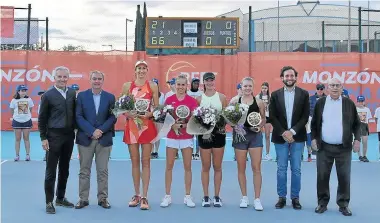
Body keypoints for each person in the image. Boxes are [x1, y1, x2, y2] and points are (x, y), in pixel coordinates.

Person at [311, 78, 361, 216]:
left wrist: (357, 140)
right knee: (322, 176)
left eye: (337, 85)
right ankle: (322, 203)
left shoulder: (348, 103)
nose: (334, 88)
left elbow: (357, 124)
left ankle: (343, 204)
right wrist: (314, 139)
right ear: (327, 88)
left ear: (342, 88)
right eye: (332, 85)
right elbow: (314, 124)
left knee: (344, 177)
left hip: (344, 148)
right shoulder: (320, 103)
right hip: (324, 147)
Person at [269, 66, 310, 210]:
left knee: (296, 169)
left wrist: (292, 131)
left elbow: (305, 116)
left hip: (298, 137)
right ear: (282, 78)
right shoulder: (274, 95)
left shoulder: (304, 94)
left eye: (292, 75)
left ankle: (295, 198)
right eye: (286, 76)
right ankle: (281, 197)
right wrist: (284, 133)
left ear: (296, 77)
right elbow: (272, 116)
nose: (289, 78)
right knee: (281, 168)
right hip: (280, 138)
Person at [74, 70, 116, 209]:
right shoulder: (81, 96)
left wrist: (101, 131)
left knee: (102, 171)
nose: (97, 81)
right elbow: (78, 116)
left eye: (99, 79)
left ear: (103, 81)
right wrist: (92, 131)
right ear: (90, 80)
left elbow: (113, 117)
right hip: (85, 138)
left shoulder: (110, 97)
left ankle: (103, 198)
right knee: (84, 170)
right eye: (94, 79)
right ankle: (83, 199)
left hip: (104, 139)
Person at [121, 60, 159, 210]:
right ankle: (136, 194)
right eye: (139, 68)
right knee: (135, 161)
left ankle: (145, 197)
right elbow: (121, 106)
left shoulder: (153, 86)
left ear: (147, 70)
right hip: (132, 127)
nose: (141, 71)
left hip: (147, 127)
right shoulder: (127, 86)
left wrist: (149, 114)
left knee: (146, 161)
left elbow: (156, 108)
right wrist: (128, 113)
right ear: (135, 70)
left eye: (144, 68)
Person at [38, 66, 76, 214]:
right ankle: (49, 202)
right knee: (50, 171)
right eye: (59, 76)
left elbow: (75, 114)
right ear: (54, 78)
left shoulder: (72, 93)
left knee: (65, 169)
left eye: (64, 77)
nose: (62, 79)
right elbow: (42, 119)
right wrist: (43, 137)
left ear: (68, 77)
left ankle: (60, 198)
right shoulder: (47, 95)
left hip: (69, 137)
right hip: (53, 137)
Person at [160, 74, 198, 208]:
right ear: (174, 85)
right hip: (172, 137)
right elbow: (163, 119)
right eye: (178, 84)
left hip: (187, 137)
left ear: (186, 86)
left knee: (188, 167)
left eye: (183, 84)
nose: (181, 87)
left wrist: (183, 126)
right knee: (169, 167)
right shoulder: (169, 100)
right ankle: (167, 196)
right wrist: (172, 126)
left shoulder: (192, 101)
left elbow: (195, 120)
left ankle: (188, 196)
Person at [231, 77, 266, 210]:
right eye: (245, 86)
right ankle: (244, 197)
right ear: (241, 87)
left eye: (250, 86)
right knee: (241, 168)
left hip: (255, 136)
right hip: (240, 135)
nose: (247, 88)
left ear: (253, 87)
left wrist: (259, 127)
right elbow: (229, 118)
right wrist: (235, 126)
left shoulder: (259, 102)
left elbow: (263, 119)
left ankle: (257, 199)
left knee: (256, 167)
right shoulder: (235, 101)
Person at [196, 72, 227, 207]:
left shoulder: (222, 97)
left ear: (214, 81)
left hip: (219, 134)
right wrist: (205, 127)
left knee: (218, 166)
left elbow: (226, 116)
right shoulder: (198, 99)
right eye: (207, 81)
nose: (210, 83)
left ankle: (217, 196)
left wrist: (219, 123)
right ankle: (206, 196)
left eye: (212, 80)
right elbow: (196, 118)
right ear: (204, 82)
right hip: (203, 135)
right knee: (205, 166)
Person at [9, 84, 34, 162]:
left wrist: (26, 116)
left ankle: (27, 155)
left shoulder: (29, 99)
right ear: (18, 91)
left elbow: (31, 109)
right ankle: (17, 155)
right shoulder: (14, 100)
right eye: (22, 91)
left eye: (25, 91)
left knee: (26, 138)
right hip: (17, 121)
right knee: (17, 139)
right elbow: (12, 110)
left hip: (26, 121)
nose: (24, 92)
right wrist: (16, 117)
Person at [307, 83, 327, 161]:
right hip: (311, 119)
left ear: (323, 90)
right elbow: (307, 109)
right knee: (312, 135)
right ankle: (313, 151)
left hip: (323, 119)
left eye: (321, 89)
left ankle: (322, 151)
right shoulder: (311, 98)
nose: (319, 90)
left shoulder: (327, 98)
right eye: (318, 88)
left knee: (322, 134)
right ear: (316, 89)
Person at [187, 77, 202, 160]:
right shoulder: (188, 93)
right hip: (189, 117)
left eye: (197, 83)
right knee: (190, 136)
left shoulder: (201, 93)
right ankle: (192, 153)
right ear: (191, 84)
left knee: (198, 136)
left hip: (198, 117)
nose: (196, 84)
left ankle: (197, 153)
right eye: (194, 83)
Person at [256, 82, 272, 161]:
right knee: (259, 136)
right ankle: (258, 153)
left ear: (268, 89)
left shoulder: (271, 97)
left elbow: (273, 107)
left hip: (268, 118)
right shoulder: (258, 97)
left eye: (265, 88)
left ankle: (267, 153)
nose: (264, 90)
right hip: (260, 118)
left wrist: (268, 106)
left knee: (267, 136)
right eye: (262, 88)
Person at [151, 78, 165, 159]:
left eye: (155, 84)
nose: (154, 85)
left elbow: (163, 105)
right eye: (153, 84)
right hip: (151, 116)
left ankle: (156, 151)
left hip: (159, 117)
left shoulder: (162, 95)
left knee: (158, 135)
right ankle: (152, 150)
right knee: (152, 134)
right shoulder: (149, 93)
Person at [355, 96, 372, 162]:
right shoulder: (355, 109)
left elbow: (368, 119)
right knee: (358, 142)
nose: (361, 102)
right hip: (357, 127)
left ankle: (364, 155)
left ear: (364, 101)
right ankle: (360, 156)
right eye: (359, 101)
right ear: (357, 102)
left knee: (365, 142)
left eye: (362, 101)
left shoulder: (367, 109)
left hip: (364, 126)